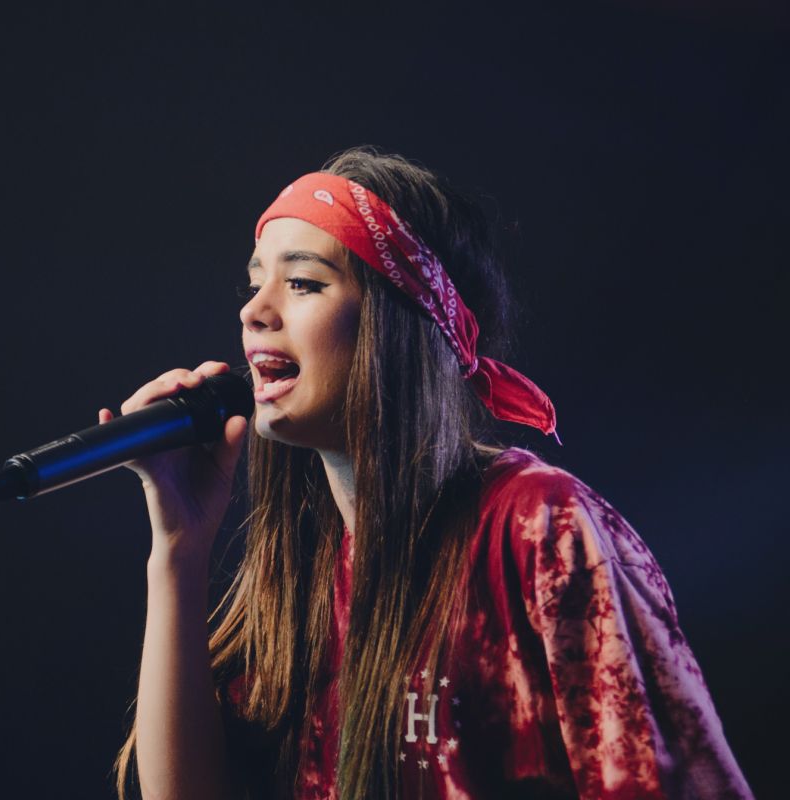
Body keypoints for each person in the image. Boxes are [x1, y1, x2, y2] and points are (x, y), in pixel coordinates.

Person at [105, 147, 751, 799]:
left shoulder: (537, 528)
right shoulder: (301, 565)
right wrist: (179, 547)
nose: (254, 311)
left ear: (400, 318)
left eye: (302, 282)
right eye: (255, 284)